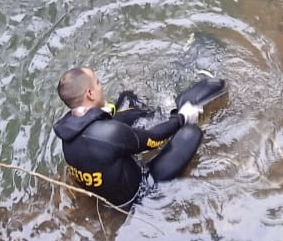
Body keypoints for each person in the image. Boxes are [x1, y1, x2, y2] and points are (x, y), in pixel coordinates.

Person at [53, 66, 204, 210]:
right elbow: (153, 140)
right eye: (97, 82)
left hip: (110, 185)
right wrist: (180, 117)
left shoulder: (67, 134)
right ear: (90, 94)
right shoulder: (109, 133)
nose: (101, 86)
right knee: (191, 132)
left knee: (127, 97)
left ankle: (150, 111)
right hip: (142, 190)